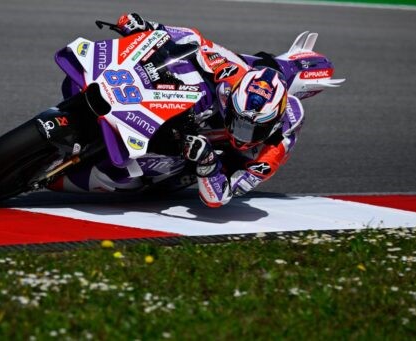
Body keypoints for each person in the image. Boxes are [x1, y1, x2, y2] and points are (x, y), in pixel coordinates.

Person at [116, 13, 304, 208]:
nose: (241, 135)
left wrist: (207, 162)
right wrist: (148, 26)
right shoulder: (230, 74)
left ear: (272, 126)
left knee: (172, 173)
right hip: (229, 89)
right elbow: (194, 39)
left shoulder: (274, 147)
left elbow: (220, 197)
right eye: (238, 122)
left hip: (220, 155)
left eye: (252, 129)